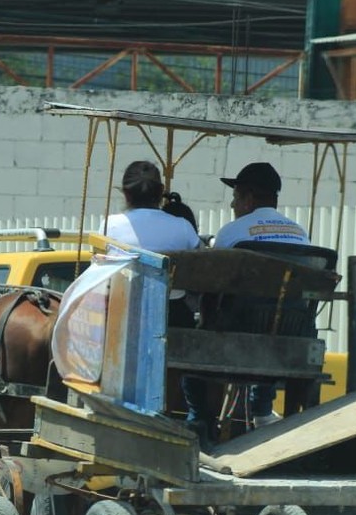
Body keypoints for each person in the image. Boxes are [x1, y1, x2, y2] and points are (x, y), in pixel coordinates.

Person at [185, 161, 306, 440]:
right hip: (287, 334)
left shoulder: (233, 232)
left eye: (235, 197)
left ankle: (200, 419)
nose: (232, 205)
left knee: (190, 346)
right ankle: (262, 410)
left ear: (249, 198)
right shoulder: (300, 233)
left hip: (236, 332)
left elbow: (210, 281)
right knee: (267, 323)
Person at [103, 160, 202, 329]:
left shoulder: (110, 226)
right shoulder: (183, 227)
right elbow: (202, 266)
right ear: (161, 191)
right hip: (173, 316)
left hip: (124, 314)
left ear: (126, 194)